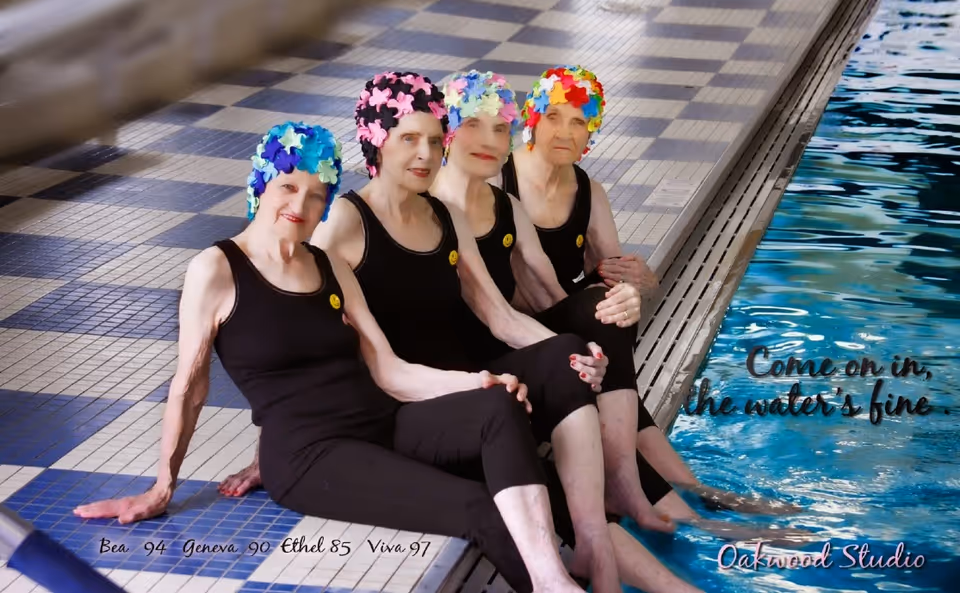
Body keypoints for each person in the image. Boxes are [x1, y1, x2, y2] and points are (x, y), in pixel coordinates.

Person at [71, 122, 589, 593]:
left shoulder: (327, 264)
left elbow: (390, 370)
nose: (301, 204)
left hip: (385, 421)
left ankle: (576, 569)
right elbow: (189, 386)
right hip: (312, 454)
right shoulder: (218, 268)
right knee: (478, 505)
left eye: (318, 195)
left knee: (498, 410)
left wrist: (481, 382)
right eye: (289, 187)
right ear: (261, 185)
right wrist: (163, 485)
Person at [500, 65, 803, 516]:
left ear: (591, 135)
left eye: (579, 122)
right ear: (532, 117)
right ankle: (649, 488)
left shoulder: (590, 192)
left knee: (613, 308)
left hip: (572, 327)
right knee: (601, 313)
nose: (565, 131)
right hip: (518, 336)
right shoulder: (499, 182)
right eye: (555, 116)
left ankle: (692, 491)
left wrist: (639, 282)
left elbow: (624, 275)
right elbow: (526, 293)